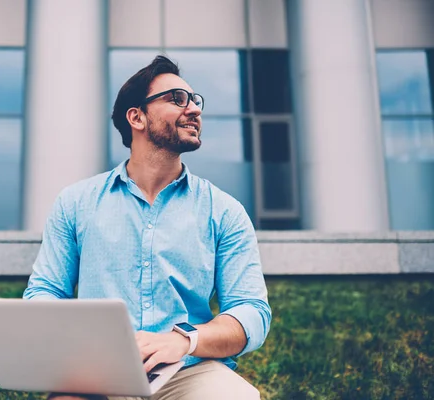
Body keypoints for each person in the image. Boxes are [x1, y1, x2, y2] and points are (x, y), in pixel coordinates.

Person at [23, 55, 271, 400]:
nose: (194, 109)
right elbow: (45, 290)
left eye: (195, 100)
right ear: (137, 117)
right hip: (98, 373)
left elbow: (250, 311)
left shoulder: (225, 212)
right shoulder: (75, 203)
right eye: (176, 99)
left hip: (189, 370)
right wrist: (77, 342)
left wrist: (183, 340)